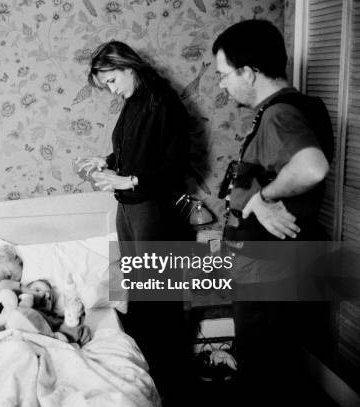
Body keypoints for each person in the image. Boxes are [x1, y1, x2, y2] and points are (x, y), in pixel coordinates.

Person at [212, 19, 333, 406]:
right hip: (279, 265)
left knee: (264, 367)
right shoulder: (299, 107)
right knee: (277, 363)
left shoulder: (280, 115)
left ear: (248, 71)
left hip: (269, 269)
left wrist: (264, 195)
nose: (222, 85)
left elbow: (312, 167)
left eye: (224, 75)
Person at [76, 40, 192, 404]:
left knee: (158, 295)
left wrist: (130, 180)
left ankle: (170, 381)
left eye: (112, 81)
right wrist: (107, 161)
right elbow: (135, 151)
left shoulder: (163, 102)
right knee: (137, 290)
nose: (111, 89)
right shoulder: (134, 102)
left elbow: (174, 166)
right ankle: (147, 368)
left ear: (129, 67)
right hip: (129, 206)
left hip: (152, 208)